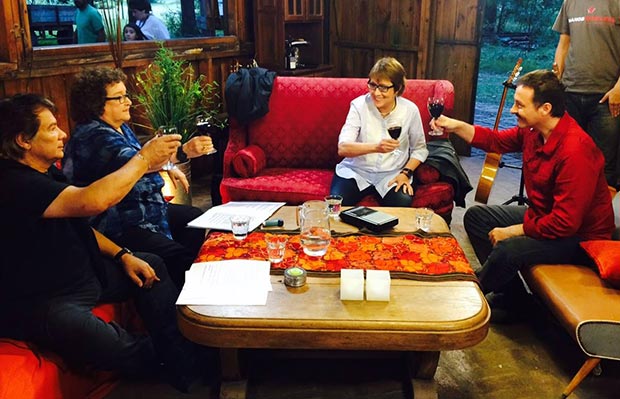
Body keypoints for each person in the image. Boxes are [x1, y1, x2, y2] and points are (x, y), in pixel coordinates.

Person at [0, 94, 205, 392]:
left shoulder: (45, 171)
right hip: (44, 300)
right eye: (52, 128)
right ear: (23, 140)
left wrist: (123, 255)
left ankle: (189, 360)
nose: (63, 134)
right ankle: (172, 362)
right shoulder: (14, 183)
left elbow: (80, 225)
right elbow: (94, 201)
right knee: (121, 350)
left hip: (84, 273)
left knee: (153, 264)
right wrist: (145, 158)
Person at [433, 70, 615, 314]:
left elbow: (565, 223)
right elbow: (495, 141)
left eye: (519, 104)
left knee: (509, 249)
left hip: (580, 237)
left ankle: (465, 295)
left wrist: (513, 231)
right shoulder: (533, 132)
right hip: (544, 217)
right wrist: (455, 126)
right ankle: (514, 298)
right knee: (477, 217)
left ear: (545, 109)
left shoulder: (575, 151)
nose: (512, 110)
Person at [62, 67, 213, 288]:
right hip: (117, 222)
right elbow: (132, 162)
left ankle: (177, 281)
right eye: (119, 97)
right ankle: (185, 295)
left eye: (126, 95)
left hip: (143, 208)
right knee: (181, 257)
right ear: (95, 104)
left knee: (192, 218)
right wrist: (183, 152)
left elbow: (139, 158)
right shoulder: (93, 136)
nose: (128, 102)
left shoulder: (119, 127)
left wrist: (169, 163)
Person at [330, 57, 428, 206]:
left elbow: (419, 149)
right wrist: (376, 147)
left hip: (392, 174)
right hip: (356, 172)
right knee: (335, 205)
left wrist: (405, 173)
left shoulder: (410, 110)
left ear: (397, 89)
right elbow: (343, 148)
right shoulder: (358, 105)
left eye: (383, 87)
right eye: (372, 85)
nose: (376, 93)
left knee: (402, 204)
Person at [552, 0, 620, 188]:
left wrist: (619, 88)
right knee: (567, 158)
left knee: (603, 163)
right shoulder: (570, 2)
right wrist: (558, 81)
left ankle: (598, 216)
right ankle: (568, 212)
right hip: (570, 92)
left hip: (606, 95)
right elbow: (564, 43)